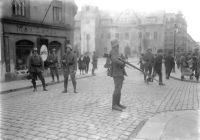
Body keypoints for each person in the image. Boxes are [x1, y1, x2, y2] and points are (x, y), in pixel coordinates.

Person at [110, 39, 126, 111]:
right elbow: (114, 60)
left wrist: (123, 60)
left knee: (119, 88)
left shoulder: (117, 52)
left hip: (120, 72)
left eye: (118, 46)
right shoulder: (112, 52)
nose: (118, 47)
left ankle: (118, 103)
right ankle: (114, 105)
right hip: (116, 73)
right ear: (114, 46)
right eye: (117, 45)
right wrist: (122, 62)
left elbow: (120, 59)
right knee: (117, 88)